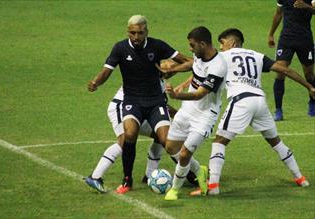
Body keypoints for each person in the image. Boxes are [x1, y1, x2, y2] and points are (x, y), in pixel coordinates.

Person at [199, 28, 314, 196]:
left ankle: (213, 187)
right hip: (260, 102)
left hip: (241, 101)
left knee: (219, 142)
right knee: (276, 142)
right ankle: (301, 178)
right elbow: (285, 69)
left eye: (222, 43)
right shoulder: (257, 55)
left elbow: (195, 65)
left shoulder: (222, 57)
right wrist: (310, 86)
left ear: (232, 42)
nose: (221, 47)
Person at [88, 15, 190, 194]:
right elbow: (106, 71)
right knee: (126, 138)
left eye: (140, 33)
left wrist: (181, 118)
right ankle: (96, 176)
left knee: (164, 136)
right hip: (121, 105)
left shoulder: (157, 80)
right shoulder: (125, 52)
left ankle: (150, 175)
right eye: (132, 33)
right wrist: (96, 82)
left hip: (146, 107)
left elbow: (164, 106)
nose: (168, 66)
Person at [158, 26, 228, 201]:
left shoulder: (218, 66)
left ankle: (174, 189)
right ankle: (200, 170)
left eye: (192, 45)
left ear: (203, 44)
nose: (190, 48)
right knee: (171, 147)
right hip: (187, 111)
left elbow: (200, 94)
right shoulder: (200, 55)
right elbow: (192, 64)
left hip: (205, 116)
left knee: (184, 154)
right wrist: (172, 70)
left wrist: (176, 94)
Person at [268, 0, 315, 120]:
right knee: (280, 71)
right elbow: (278, 14)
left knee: (309, 73)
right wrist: (271, 34)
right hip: (286, 39)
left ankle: (312, 103)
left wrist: (306, 6)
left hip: (305, 39)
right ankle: (278, 110)